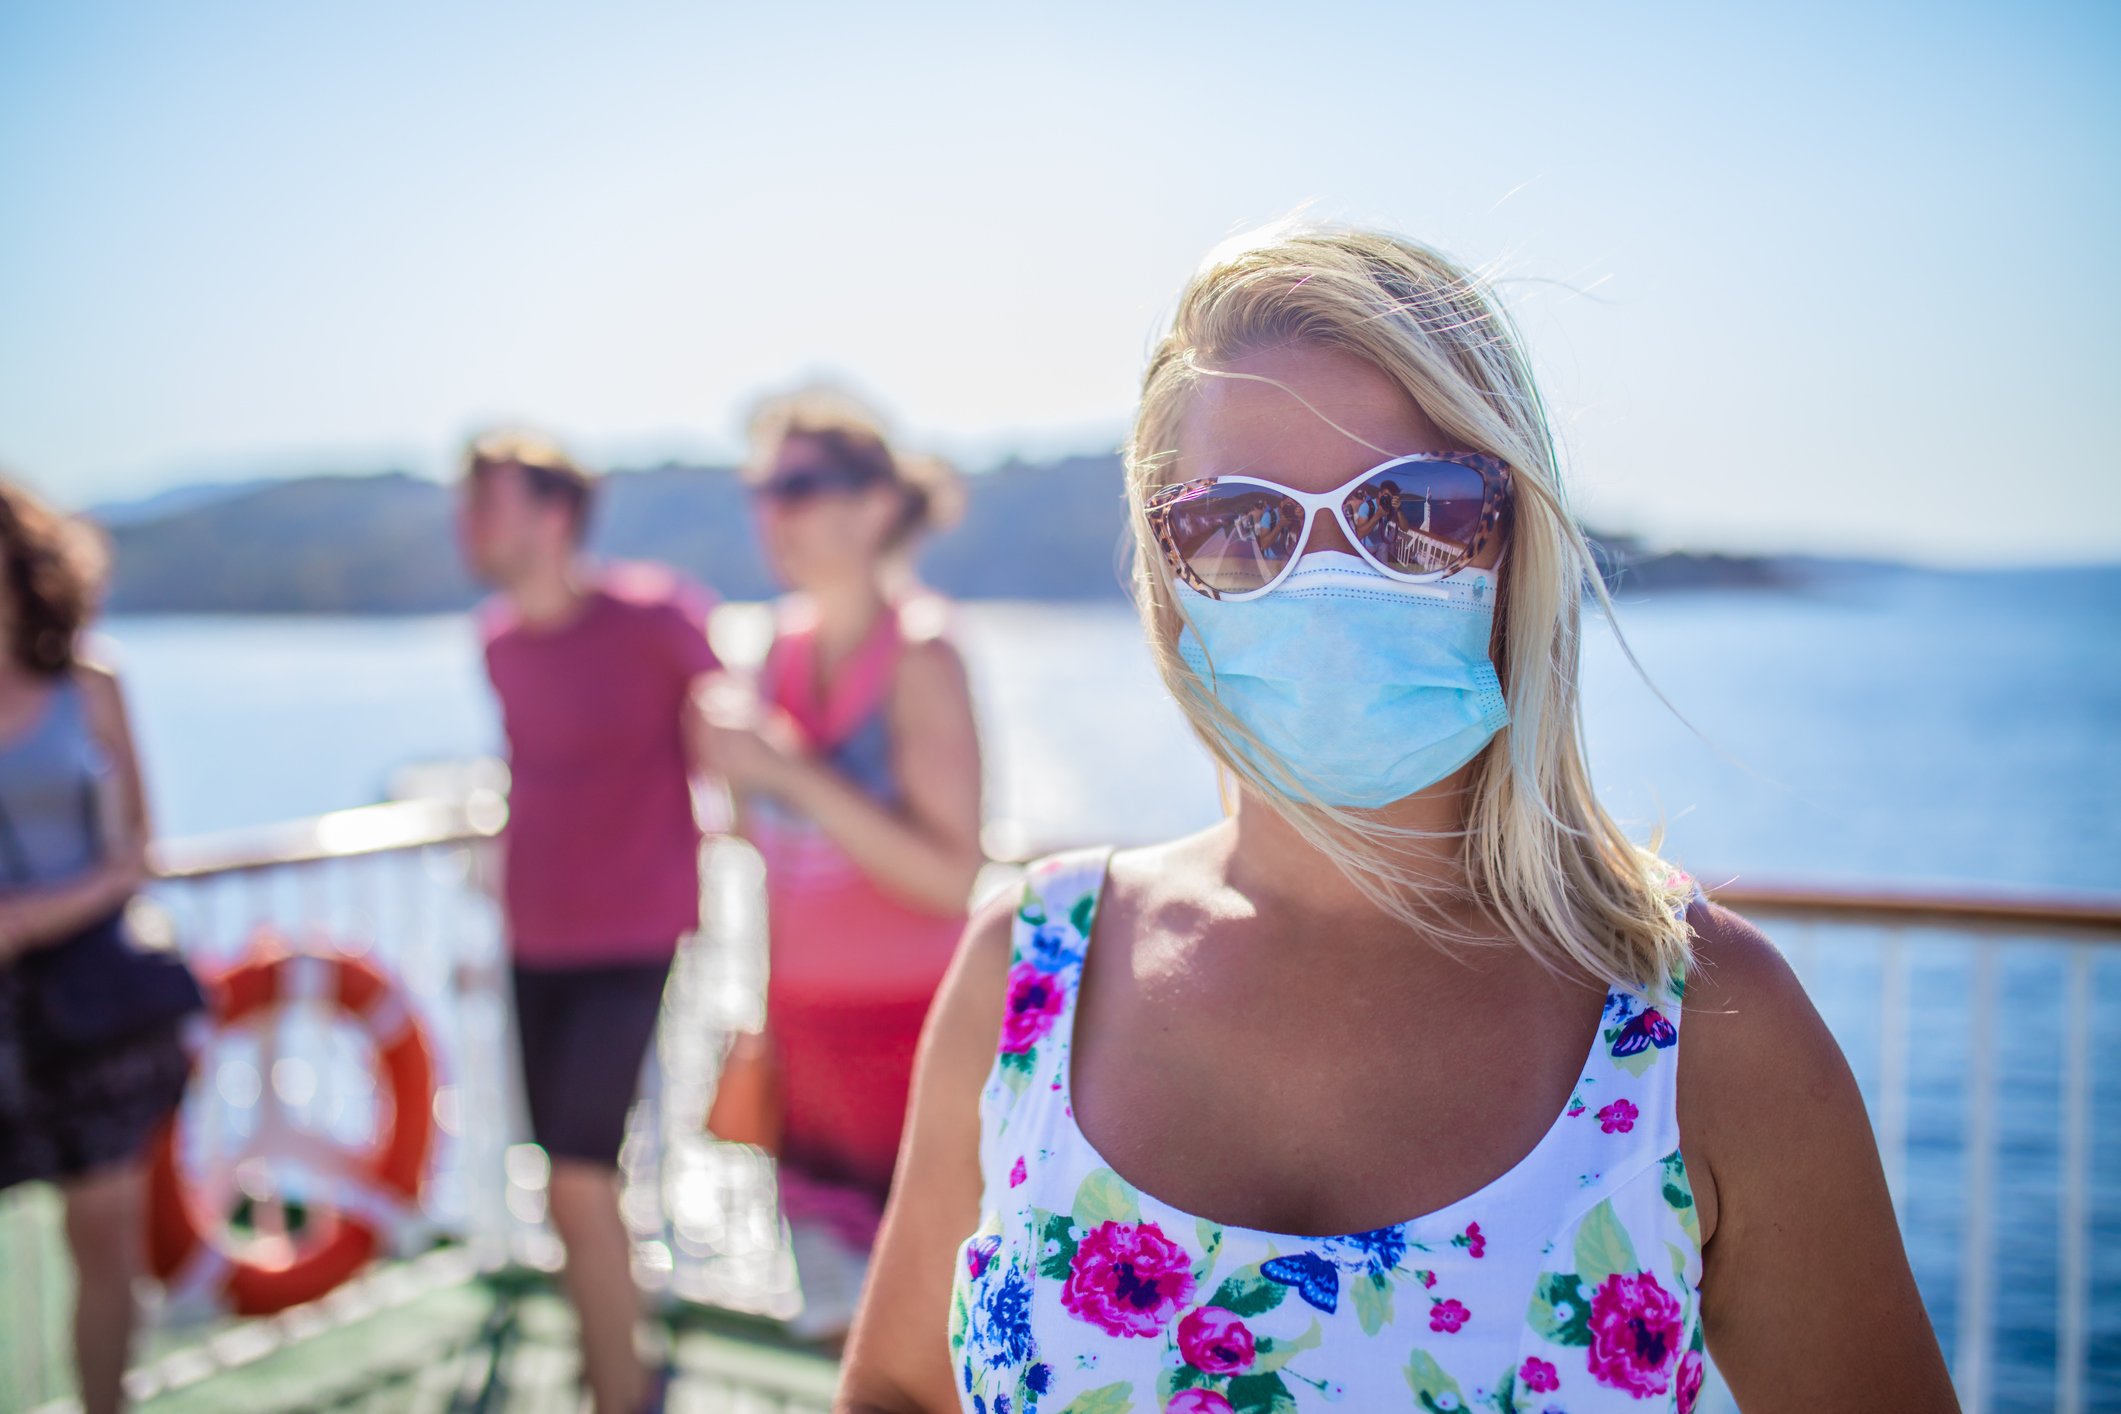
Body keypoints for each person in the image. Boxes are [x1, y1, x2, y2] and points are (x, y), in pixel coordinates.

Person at [837, 226, 1957, 1412]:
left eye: (1417, 508)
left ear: (1515, 539)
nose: (1329, 578)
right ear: (1168, 571)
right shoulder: (1030, 968)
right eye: (1240, 522)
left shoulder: (1704, 1025)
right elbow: (898, 1389)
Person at [693, 389, 983, 1337]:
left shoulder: (921, 654)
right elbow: (765, 846)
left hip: (913, 1048)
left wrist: (787, 771)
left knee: (931, 1343)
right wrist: (731, 769)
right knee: (834, 1334)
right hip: (803, 1042)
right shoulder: (771, 650)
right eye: (760, 489)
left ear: (874, 506)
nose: (770, 511)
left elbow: (950, 878)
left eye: (797, 486)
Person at [456, 431, 721, 1414]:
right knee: (567, 1177)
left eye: (489, 503)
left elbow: (737, 741)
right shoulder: (496, 642)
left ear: (556, 513)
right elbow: (525, 771)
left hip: (635, 933)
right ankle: (619, 1354)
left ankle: (622, 1390)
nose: (469, 525)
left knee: (574, 1175)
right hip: (532, 938)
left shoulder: (657, 617)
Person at [0, 479, 187, 1414]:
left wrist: (31, 918)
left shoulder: (90, 682)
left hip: (89, 996)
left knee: (103, 1233)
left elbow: (136, 850)